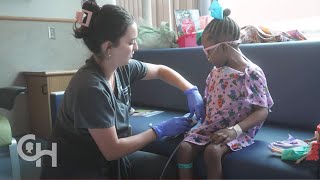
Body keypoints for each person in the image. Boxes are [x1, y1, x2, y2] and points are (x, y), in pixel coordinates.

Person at [40, 1, 205, 179]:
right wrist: (159, 131)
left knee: (164, 170)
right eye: (131, 42)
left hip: (106, 160)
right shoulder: (90, 88)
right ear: (108, 47)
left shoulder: (121, 67)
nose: (136, 48)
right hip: (80, 167)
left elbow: (160, 71)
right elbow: (112, 150)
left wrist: (190, 90)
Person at [176, 8, 274, 179]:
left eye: (207, 51)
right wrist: (192, 118)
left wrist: (234, 130)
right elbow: (209, 103)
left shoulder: (251, 73)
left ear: (223, 46)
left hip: (238, 130)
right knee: (184, 148)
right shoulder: (215, 73)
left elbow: (262, 111)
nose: (207, 57)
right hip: (213, 126)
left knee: (212, 152)